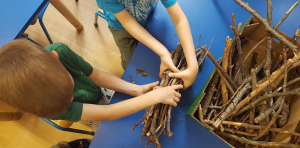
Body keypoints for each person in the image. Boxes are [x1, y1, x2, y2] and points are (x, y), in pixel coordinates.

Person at [0, 39, 182, 122]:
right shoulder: (47, 107)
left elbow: (97, 76)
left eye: (69, 94)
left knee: (103, 95)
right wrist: (154, 97)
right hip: (88, 112)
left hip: (96, 89)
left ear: (55, 57)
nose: (71, 99)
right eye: (66, 101)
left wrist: (135, 90)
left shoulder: (60, 51)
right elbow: (107, 114)